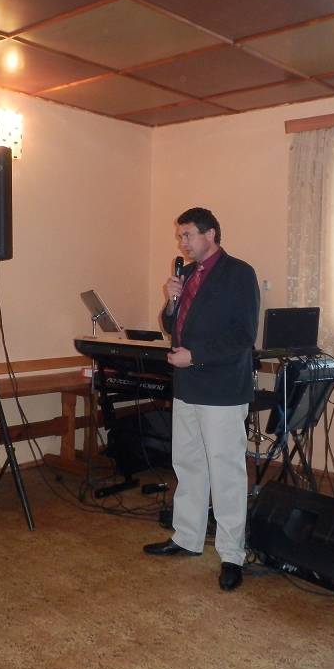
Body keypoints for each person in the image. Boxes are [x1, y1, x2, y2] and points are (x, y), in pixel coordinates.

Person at [143, 207, 259, 591]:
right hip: (188, 387)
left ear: (210, 234)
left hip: (222, 389)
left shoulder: (238, 273)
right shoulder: (188, 274)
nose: (182, 243)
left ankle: (231, 554)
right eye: (180, 236)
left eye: (188, 235)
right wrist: (170, 301)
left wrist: (196, 356)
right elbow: (171, 325)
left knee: (226, 472)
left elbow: (243, 335)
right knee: (188, 464)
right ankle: (187, 537)